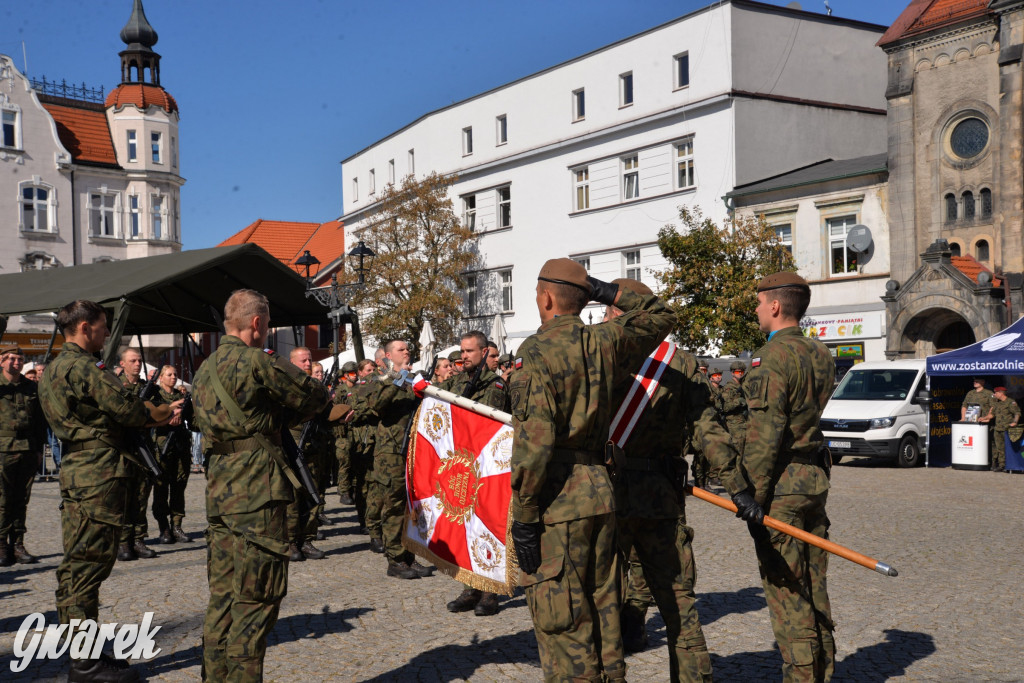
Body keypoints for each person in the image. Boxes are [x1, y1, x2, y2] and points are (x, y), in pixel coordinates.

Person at [509, 259, 674, 682]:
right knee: (605, 619)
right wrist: (602, 289)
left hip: (557, 499)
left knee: (564, 628)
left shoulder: (537, 351)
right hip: (600, 493)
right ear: (583, 300)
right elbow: (663, 314)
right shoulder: (604, 340)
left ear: (545, 298)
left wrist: (524, 514)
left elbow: (536, 441)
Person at [192, 289, 334, 681]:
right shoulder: (258, 363)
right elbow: (315, 395)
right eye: (268, 324)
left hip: (220, 496)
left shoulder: (205, 369)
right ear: (257, 323)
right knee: (256, 601)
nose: (267, 330)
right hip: (258, 495)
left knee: (222, 597)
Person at [703, 271, 836, 682]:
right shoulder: (821, 354)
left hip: (782, 484)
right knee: (814, 582)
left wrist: (749, 496)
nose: (757, 309)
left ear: (775, 306)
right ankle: (824, 669)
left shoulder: (771, 359)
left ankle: (801, 676)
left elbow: (765, 438)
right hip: (814, 477)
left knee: (787, 588)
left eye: (760, 302)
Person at [39, 299, 173, 682]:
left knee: (81, 565)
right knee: (86, 568)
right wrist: (162, 412)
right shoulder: (84, 367)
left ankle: (89, 654)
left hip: (80, 470)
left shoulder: (52, 368)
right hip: (98, 473)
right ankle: (85, 665)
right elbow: (129, 410)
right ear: (85, 328)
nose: (106, 334)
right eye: (102, 326)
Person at [603, 279, 714, 680]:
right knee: (679, 604)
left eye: (607, 312)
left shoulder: (602, 353)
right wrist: (736, 483)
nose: (602, 318)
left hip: (606, 494)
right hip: (661, 498)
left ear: (620, 314)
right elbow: (707, 429)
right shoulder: (682, 362)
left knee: (601, 600)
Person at [441, 331, 510, 617]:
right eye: (461, 351)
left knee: (487, 528)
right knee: (464, 526)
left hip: (486, 466)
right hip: (460, 462)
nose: (463, 356)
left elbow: (484, 422)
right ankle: (469, 587)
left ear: (484, 352)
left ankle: (490, 592)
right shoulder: (457, 381)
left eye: (469, 351)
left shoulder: (492, 384)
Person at [356, 339, 433, 579]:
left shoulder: (414, 381)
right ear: (389, 356)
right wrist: (397, 382)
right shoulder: (381, 381)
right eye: (401, 349)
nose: (407, 351)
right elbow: (376, 406)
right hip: (391, 453)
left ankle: (409, 555)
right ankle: (395, 559)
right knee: (393, 506)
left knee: (412, 506)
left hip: (413, 452)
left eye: (407, 349)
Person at [0, 345, 48, 566]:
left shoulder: (31, 387)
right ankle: (1, 544)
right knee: (2, 500)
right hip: (2, 448)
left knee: (22, 499)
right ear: (1, 361)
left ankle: (17, 543)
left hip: (27, 448)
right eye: (10, 359)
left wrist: (39, 449)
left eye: (19, 359)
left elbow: (40, 422)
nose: (15, 363)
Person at [285, 347, 331, 561]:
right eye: (303, 360)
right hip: (292, 447)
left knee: (313, 494)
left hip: (313, 447)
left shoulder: (315, 387)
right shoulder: (286, 386)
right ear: (292, 363)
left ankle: (307, 540)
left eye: (309, 360)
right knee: (293, 497)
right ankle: (291, 541)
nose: (307, 363)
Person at [117, 348, 160, 561]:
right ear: (122, 364)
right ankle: (124, 541)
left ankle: (138, 539)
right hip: (123, 449)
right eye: (132, 360)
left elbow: (162, 409)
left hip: (143, 446)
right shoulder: (114, 386)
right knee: (124, 497)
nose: (137, 364)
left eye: (139, 360)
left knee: (141, 495)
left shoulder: (148, 388)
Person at [151, 365, 192, 544]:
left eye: (175, 374)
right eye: (169, 374)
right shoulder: (156, 396)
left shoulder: (181, 395)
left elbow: (191, 415)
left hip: (180, 445)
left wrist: (183, 412)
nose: (173, 377)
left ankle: (176, 525)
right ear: (161, 377)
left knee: (179, 486)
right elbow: (150, 415)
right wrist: (169, 410)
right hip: (162, 446)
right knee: (161, 488)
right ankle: (163, 527)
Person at [352, 359, 383, 551]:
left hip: (380, 444)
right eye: (368, 370)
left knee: (378, 490)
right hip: (363, 445)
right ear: (361, 373)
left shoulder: (380, 389)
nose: (372, 373)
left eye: (374, 370)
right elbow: (354, 413)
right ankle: (370, 527)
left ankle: (377, 529)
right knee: (365, 488)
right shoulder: (357, 391)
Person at [335, 361, 359, 506]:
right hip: (343, 432)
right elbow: (336, 412)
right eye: (351, 373)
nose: (355, 376)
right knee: (345, 462)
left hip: (356, 431)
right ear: (345, 375)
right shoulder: (341, 391)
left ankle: (354, 488)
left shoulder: (358, 389)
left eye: (356, 373)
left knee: (355, 461)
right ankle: (344, 491)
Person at [988, 387, 1020, 472]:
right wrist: (983, 418)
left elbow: (1017, 413)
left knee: (1008, 448)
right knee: (999, 448)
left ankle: (1009, 464)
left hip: (1007, 429)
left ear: (1001, 393)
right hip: (997, 429)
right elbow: (992, 415)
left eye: (996, 393)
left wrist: (1015, 422)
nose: (994, 395)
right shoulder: (997, 403)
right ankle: (1002, 465)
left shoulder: (1010, 402)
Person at [720, 360, 749, 453]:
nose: (740, 374)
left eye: (742, 372)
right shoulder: (729, 388)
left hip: (746, 423)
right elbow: (725, 407)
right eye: (737, 372)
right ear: (732, 373)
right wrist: (738, 401)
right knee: (738, 454)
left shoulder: (746, 386)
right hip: (735, 425)